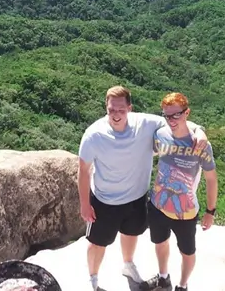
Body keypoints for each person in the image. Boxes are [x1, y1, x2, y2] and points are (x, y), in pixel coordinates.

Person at [78, 85, 208, 291]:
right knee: (97, 242)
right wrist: (85, 204)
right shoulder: (94, 134)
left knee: (131, 233)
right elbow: (83, 170)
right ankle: (92, 280)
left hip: (137, 198)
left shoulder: (145, 123)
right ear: (106, 107)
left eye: (121, 109)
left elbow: (176, 120)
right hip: (105, 200)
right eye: (111, 109)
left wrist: (199, 130)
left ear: (130, 108)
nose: (116, 114)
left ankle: (128, 266)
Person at [140, 92, 217, 291]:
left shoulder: (200, 145)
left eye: (176, 115)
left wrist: (210, 211)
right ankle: (163, 277)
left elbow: (211, 179)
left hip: (186, 211)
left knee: (187, 252)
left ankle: (182, 286)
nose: (171, 120)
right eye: (167, 115)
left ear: (187, 113)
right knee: (159, 242)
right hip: (157, 204)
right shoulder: (160, 134)